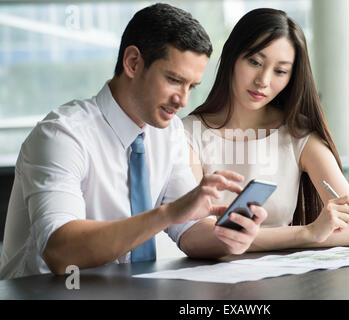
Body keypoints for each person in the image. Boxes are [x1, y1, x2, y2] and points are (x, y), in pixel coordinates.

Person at [0, 3, 267, 280]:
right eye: (174, 80)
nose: (183, 100)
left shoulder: (169, 132)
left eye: (191, 86)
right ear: (133, 63)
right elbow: (61, 252)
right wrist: (167, 214)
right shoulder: (61, 135)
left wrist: (228, 236)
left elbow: (188, 230)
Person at [182, 8, 349, 251]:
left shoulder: (298, 134)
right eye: (255, 62)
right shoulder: (189, 134)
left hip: (284, 282)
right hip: (210, 285)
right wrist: (309, 233)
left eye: (280, 71)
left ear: (292, 77)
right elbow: (194, 238)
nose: (263, 80)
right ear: (231, 56)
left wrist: (236, 238)